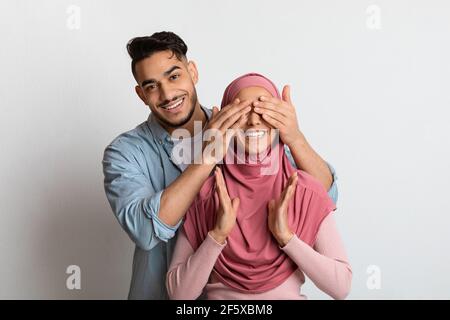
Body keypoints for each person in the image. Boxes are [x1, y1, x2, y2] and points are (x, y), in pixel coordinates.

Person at [102, 31, 339, 299]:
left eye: (174, 76)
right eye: (151, 86)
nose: (167, 94)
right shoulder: (124, 153)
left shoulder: (243, 130)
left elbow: (324, 195)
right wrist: (207, 158)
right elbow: (145, 232)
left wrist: (294, 138)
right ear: (141, 94)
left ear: (193, 72)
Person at [166, 73, 352, 300]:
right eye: (243, 112)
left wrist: (287, 239)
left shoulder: (304, 189)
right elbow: (178, 296)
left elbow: (341, 287)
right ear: (225, 121)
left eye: (265, 111)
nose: (254, 121)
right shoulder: (207, 191)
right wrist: (216, 236)